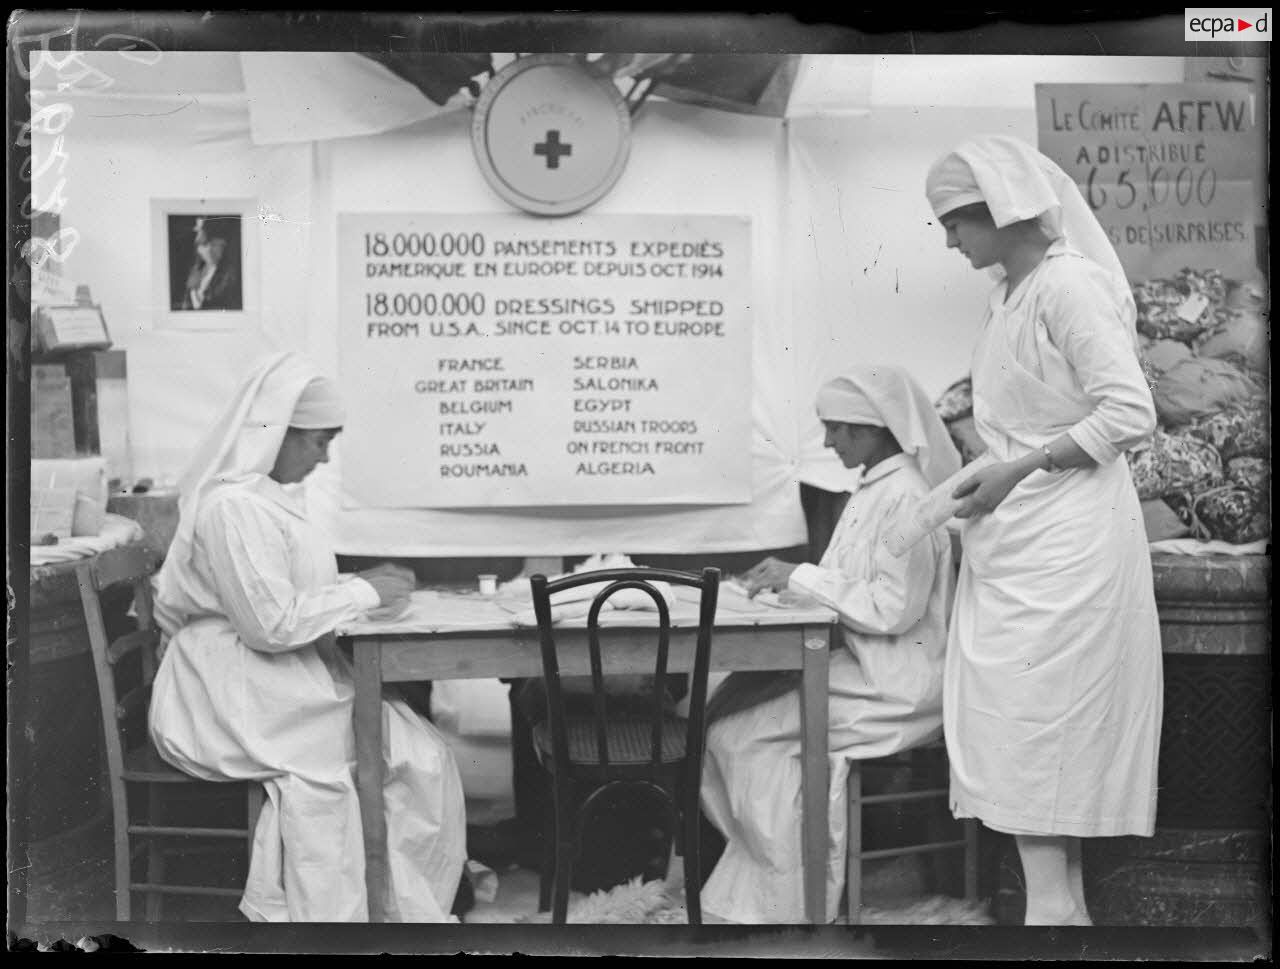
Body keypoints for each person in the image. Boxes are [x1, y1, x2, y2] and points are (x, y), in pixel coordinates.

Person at [923, 135, 1162, 926]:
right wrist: (985, 477)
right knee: (1021, 730)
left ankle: (1055, 915)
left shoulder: (1069, 286)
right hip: (1022, 537)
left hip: (1072, 541)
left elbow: (1130, 412)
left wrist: (1019, 469)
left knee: (1047, 726)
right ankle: (1058, 909)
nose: (949, 242)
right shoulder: (1008, 297)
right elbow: (1022, 421)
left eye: (955, 222)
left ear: (1001, 208)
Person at [148, 352, 467, 922]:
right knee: (389, 759)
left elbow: (279, 588)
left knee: (415, 748)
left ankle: (392, 898)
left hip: (263, 673)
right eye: (318, 442)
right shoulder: (232, 508)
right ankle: (361, 914)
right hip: (226, 688)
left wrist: (361, 584)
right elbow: (269, 624)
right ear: (276, 432)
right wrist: (364, 592)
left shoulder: (264, 498)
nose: (323, 458)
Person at [699, 365, 961, 923]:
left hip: (898, 681)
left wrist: (800, 576)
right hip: (866, 664)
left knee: (739, 736)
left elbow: (893, 608)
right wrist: (788, 583)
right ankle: (772, 883)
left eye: (836, 429)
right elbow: (851, 584)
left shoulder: (908, 498)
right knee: (722, 708)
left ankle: (792, 899)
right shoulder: (874, 489)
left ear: (872, 428)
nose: (826, 442)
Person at [180, 217, 242, 310]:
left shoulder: (228, 275)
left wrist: (193, 292)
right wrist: (192, 290)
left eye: (214, 244)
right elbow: (185, 306)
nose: (198, 241)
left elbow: (213, 306)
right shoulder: (197, 268)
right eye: (201, 245)